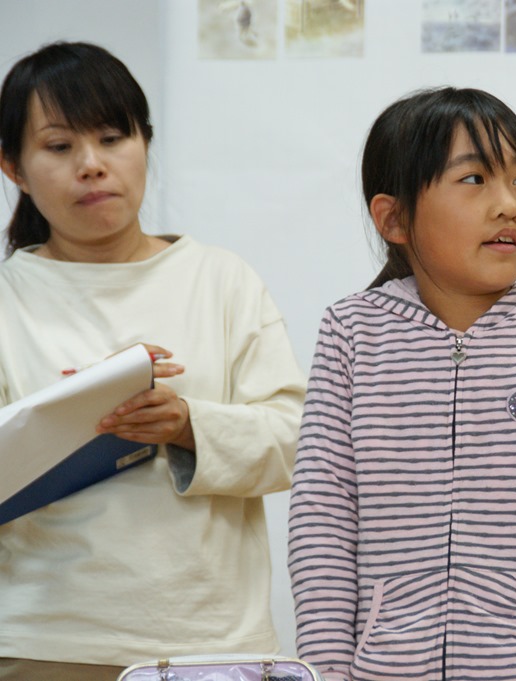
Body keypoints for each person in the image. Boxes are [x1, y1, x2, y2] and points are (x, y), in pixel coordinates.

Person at [288, 86, 516, 681]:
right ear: (394, 218)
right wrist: (325, 670)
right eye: (474, 179)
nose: (509, 205)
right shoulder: (352, 333)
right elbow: (322, 524)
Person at [0, 42, 305, 680]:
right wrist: (73, 412)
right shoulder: (10, 298)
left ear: (145, 142)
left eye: (113, 138)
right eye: (59, 147)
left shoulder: (221, 279)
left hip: (212, 644)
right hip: (44, 642)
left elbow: (297, 441)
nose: (91, 165)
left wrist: (188, 424)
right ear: (14, 168)